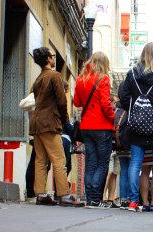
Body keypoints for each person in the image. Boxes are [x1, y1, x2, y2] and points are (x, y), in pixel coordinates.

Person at [120, 42, 153, 213]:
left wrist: (135, 109)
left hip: (137, 125)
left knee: (135, 164)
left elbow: (123, 96)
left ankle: (134, 202)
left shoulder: (132, 74)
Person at [29, 47, 83, 207]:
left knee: (40, 160)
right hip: (50, 123)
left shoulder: (38, 80)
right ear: (48, 59)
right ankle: (63, 195)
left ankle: (41, 194)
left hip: (37, 123)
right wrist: (64, 119)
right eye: (52, 56)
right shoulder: (55, 76)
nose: (54, 59)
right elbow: (61, 100)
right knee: (59, 159)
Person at [73, 52, 115, 208]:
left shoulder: (80, 79)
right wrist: (112, 117)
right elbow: (105, 104)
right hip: (101, 126)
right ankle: (95, 198)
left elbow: (77, 102)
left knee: (90, 162)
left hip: (86, 126)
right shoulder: (103, 78)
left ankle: (90, 197)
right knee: (102, 163)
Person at [103, 95, 121, 208]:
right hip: (109, 144)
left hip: (117, 145)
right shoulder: (108, 112)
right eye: (115, 103)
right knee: (108, 172)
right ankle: (103, 197)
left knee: (114, 173)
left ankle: (111, 198)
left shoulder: (119, 112)